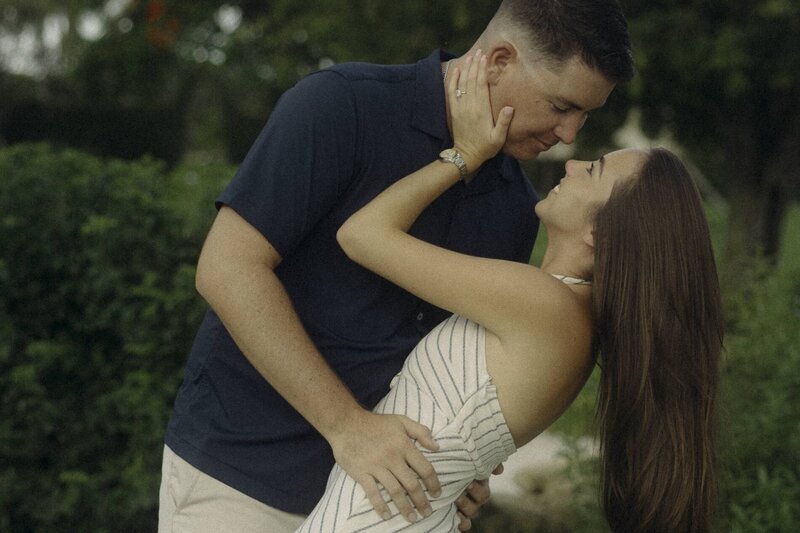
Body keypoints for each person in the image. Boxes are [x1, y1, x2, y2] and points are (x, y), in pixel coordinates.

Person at [158, 1, 634, 531]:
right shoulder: (340, 105)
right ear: (498, 60)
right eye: (561, 106)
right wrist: (347, 427)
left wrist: (460, 470)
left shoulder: (517, 210)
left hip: (385, 503)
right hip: (241, 475)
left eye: (584, 116)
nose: (569, 135)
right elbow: (226, 270)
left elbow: (457, 372)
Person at [298, 51, 722, 532]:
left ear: (600, 236)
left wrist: (465, 155)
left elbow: (362, 236)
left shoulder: (542, 305)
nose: (575, 164)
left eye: (596, 171)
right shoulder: (566, 319)